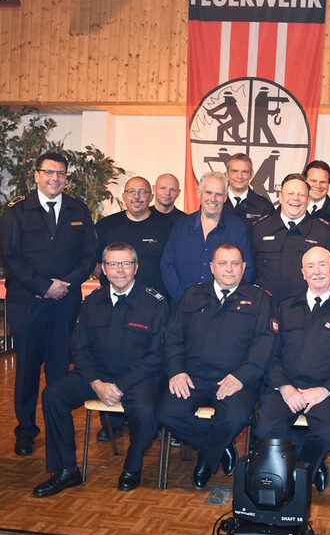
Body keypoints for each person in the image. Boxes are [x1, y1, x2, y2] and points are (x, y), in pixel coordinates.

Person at [33, 242, 169, 496]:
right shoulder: (93, 301)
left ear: (136, 268)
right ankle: (66, 470)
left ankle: (132, 466)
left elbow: (156, 355)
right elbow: (80, 349)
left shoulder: (154, 303)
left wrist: (120, 386)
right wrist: (96, 383)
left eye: (126, 263)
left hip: (137, 379)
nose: (120, 270)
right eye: (113, 264)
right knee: (53, 396)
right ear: (103, 270)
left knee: (146, 410)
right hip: (97, 375)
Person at [156, 243, 277, 489]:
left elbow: (265, 344)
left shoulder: (260, 299)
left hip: (235, 378)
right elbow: (172, 337)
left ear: (244, 268)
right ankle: (220, 447)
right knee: (167, 412)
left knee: (235, 417)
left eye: (235, 263)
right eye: (223, 263)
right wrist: (177, 370)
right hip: (193, 376)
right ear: (212, 267)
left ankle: (207, 459)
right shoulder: (191, 295)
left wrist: (242, 377)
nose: (229, 269)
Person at [0, 152, 97, 457]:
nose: (56, 178)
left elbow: (88, 256)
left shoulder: (78, 210)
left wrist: (63, 285)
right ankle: (26, 430)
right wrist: (44, 286)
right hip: (27, 303)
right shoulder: (17, 211)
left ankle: (58, 429)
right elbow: (10, 257)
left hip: (64, 303)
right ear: (37, 175)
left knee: (59, 369)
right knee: (27, 368)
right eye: (50, 172)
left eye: (61, 174)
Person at [253, 247, 330, 494]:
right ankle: (306, 466)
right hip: (286, 388)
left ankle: (299, 472)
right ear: (303, 273)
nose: (317, 271)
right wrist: (285, 387)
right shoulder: (284, 308)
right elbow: (269, 354)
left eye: (323, 265)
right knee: (265, 428)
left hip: (327, 392)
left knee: (327, 433)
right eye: (311, 266)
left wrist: (324, 390)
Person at [160, 171, 254, 303]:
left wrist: (225, 300)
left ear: (225, 197)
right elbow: (167, 265)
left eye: (219, 194)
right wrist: (183, 298)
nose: (213, 199)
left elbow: (247, 270)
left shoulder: (238, 229)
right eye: (208, 193)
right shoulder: (181, 226)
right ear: (199, 194)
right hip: (182, 308)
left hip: (223, 312)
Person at [250, 174, 330, 303]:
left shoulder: (323, 233)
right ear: (280, 197)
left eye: (301, 195)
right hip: (265, 309)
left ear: (308, 201)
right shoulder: (260, 229)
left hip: (304, 312)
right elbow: (249, 271)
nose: (295, 198)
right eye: (290, 193)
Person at [95, 176, 172, 300]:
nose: (136, 197)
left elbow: (174, 266)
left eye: (142, 192)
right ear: (124, 196)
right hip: (114, 301)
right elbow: (95, 262)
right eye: (131, 192)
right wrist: (117, 282)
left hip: (155, 304)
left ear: (151, 197)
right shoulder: (105, 226)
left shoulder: (168, 227)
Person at [222, 153, 275, 224]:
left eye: (244, 172)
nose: (239, 176)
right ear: (227, 174)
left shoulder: (264, 206)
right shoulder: (215, 202)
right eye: (234, 171)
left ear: (251, 174)